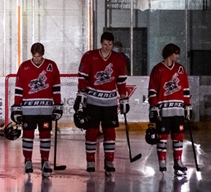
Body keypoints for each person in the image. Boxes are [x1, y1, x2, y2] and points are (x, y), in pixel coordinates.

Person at [76, 31, 130, 175]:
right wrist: (81, 94)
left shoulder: (118, 59)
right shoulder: (89, 56)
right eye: (105, 44)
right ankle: (90, 160)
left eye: (110, 44)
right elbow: (83, 77)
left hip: (110, 101)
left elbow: (121, 81)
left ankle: (109, 160)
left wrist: (124, 98)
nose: (107, 47)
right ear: (101, 43)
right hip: (92, 100)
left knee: (109, 131)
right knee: (92, 131)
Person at [13, 43, 63, 176]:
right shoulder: (24, 66)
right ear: (31, 55)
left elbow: (56, 87)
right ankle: (28, 161)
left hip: (45, 110)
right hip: (28, 109)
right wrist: (16, 107)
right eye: (35, 57)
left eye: (39, 57)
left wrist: (58, 105)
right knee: (28, 135)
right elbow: (19, 89)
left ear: (43, 55)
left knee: (45, 136)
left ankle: (45, 161)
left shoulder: (51, 66)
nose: (37, 59)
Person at [148, 43, 191, 181]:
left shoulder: (180, 69)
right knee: (163, 137)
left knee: (178, 136)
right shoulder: (157, 69)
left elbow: (185, 89)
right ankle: (162, 162)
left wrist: (187, 105)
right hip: (163, 110)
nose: (177, 56)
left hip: (178, 110)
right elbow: (152, 90)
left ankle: (178, 161)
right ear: (169, 53)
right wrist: (154, 106)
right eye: (175, 53)